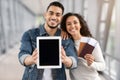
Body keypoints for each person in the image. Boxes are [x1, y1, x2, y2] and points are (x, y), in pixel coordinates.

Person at [18, 2, 78, 80]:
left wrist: (66, 59)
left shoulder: (65, 37)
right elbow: (22, 55)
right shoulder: (29, 34)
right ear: (45, 15)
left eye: (57, 15)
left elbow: (74, 61)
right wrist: (31, 59)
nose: (53, 17)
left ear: (61, 18)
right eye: (51, 13)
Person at [60, 13, 105, 80]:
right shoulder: (66, 43)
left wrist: (92, 63)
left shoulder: (91, 42)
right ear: (66, 27)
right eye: (69, 24)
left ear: (80, 25)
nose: (72, 26)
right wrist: (61, 30)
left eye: (75, 22)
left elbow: (102, 66)